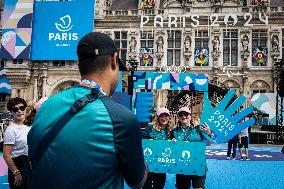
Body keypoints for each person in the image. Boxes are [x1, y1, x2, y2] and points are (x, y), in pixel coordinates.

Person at [28, 32, 148, 189]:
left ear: (80, 64)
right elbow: (137, 181)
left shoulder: (46, 107)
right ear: (113, 60)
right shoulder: (121, 118)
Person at [172, 107, 212, 189]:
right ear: (178, 117)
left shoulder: (199, 129)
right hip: (181, 166)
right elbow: (171, 150)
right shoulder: (174, 132)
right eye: (181, 114)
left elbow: (209, 143)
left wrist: (209, 133)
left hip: (198, 164)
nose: (183, 116)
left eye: (186, 114)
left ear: (190, 116)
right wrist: (172, 144)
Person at [142, 107, 172, 189]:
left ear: (169, 117)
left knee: (159, 185)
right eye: (161, 116)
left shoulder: (170, 131)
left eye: (166, 116)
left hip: (161, 164)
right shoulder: (150, 128)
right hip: (149, 163)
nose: (164, 118)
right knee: (146, 186)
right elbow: (142, 139)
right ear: (158, 117)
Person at [3, 97, 30, 189]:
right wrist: (16, 173)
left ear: (25, 109)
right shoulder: (11, 130)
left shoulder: (30, 125)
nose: (19, 111)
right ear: (11, 112)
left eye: (22, 108)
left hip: (30, 166)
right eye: (15, 109)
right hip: (18, 166)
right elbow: (6, 155)